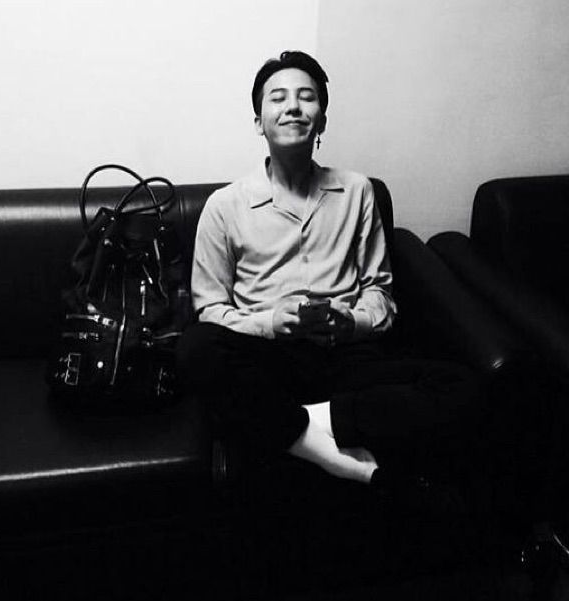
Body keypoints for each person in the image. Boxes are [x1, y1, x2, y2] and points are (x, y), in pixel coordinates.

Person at [177, 51, 477, 499]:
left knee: (462, 386)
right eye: (278, 98)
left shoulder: (357, 192)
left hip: (346, 358)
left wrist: (349, 321)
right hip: (266, 360)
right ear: (259, 122)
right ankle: (331, 454)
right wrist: (270, 323)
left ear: (322, 119)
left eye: (306, 97)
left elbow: (380, 296)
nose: (293, 107)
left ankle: (299, 422)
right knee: (195, 347)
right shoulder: (225, 206)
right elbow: (210, 311)